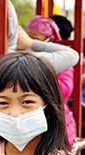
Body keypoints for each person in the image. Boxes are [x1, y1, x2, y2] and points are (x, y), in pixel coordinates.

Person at [0, 0, 79, 100]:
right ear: (13, 29)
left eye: (36, 38)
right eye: (28, 36)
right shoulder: (25, 62)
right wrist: (32, 44)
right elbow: (71, 55)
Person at [27, 14, 76, 145]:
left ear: (50, 39)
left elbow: (64, 90)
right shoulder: (22, 56)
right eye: (28, 37)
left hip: (56, 126)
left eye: (35, 40)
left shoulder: (60, 60)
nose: (31, 43)